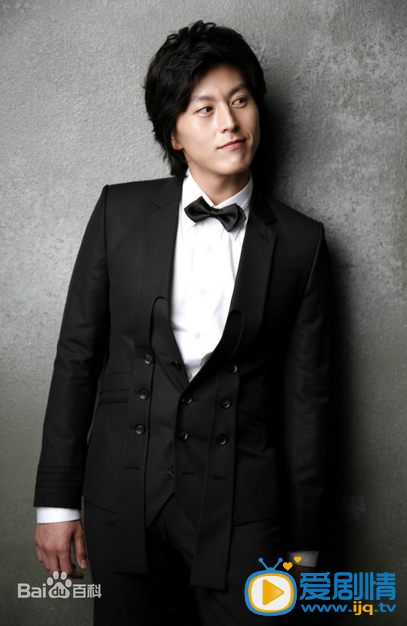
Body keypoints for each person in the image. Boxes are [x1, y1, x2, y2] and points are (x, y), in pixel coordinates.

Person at [34, 21, 331, 625]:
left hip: (244, 509)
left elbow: (308, 405)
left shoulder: (303, 243)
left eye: (240, 100)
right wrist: (56, 504)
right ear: (174, 132)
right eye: (205, 108)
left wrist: (305, 543)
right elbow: (77, 358)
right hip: (123, 496)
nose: (229, 122)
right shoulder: (119, 212)